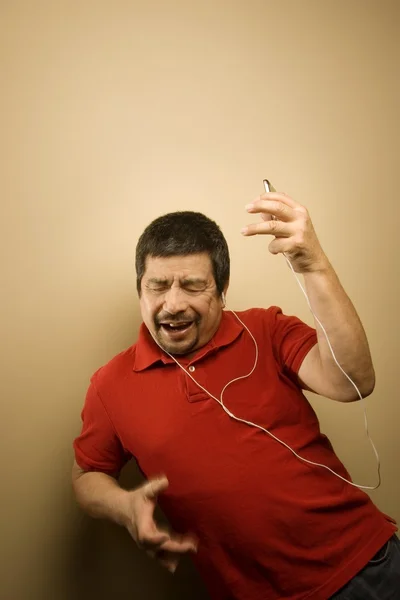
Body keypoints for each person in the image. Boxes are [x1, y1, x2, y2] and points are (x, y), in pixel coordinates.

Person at [72, 190, 399, 600]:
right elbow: (87, 475)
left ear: (223, 289)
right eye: (157, 286)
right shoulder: (109, 384)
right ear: (140, 288)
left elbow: (354, 381)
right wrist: (124, 508)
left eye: (192, 286)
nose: (172, 304)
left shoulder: (267, 329)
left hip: (365, 569)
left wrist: (313, 264)